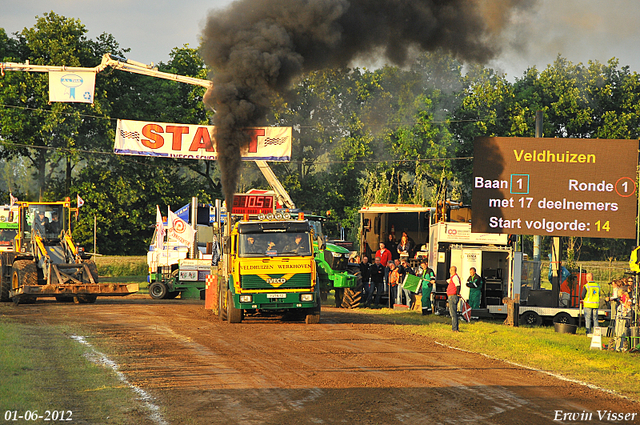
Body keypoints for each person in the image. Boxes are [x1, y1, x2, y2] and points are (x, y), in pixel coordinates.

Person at [447, 265, 462, 332]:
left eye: (450, 270)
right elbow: (444, 282)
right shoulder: (452, 278)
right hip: (452, 296)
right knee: (453, 313)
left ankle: (455, 328)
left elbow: (457, 285)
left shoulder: (455, 277)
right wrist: (434, 282)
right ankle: (455, 328)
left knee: (453, 313)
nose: (450, 271)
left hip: (453, 296)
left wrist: (457, 293)